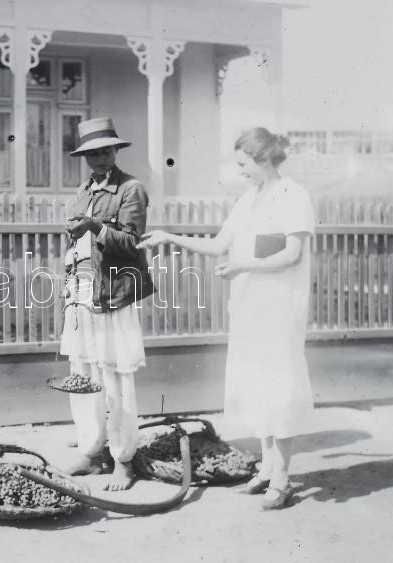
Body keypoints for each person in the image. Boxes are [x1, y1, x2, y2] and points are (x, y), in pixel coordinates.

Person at [137, 127, 315, 510]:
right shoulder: (249, 198)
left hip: (280, 307)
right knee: (259, 387)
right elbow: (219, 244)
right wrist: (169, 237)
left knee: (279, 388)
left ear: (262, 158)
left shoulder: (294, 195)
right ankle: (267, 470)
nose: (240, 171)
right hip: (251, 306)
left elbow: (293, 254)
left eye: (243, 163)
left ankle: (282, 480)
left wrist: (243, 265)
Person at [59, 117, 154, 491]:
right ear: (84, 158)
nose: (99, 159)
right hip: (83, 294)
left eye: (105, 151)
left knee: (115, 378)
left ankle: (123, 459)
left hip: (114, 293)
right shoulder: (80, 193)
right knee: (84, 376)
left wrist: (95, 227)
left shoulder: (130, 189)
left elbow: (131, 242)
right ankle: (91, 451)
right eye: (92, 154)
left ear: (116, 151)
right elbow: (74, 246)